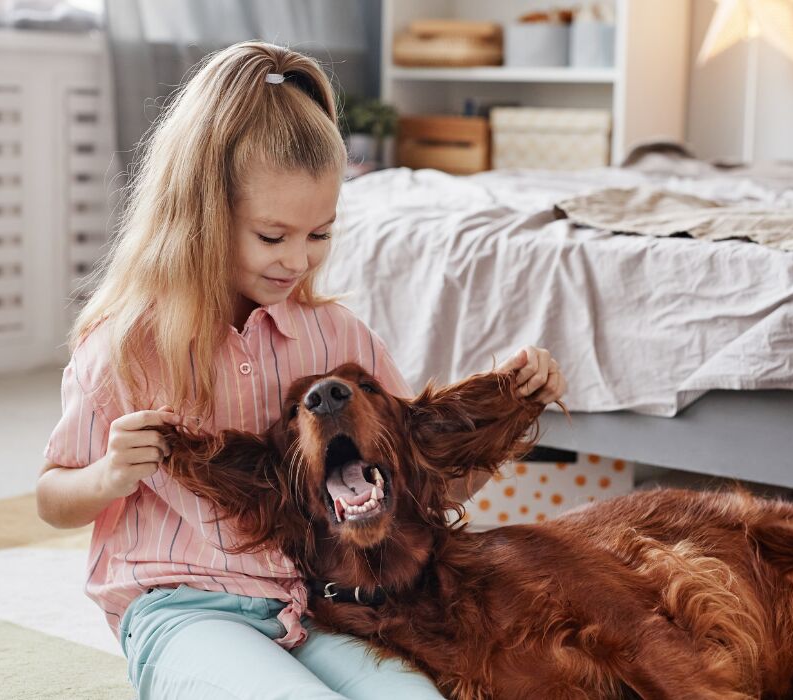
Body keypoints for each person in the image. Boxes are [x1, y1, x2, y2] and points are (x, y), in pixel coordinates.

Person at [35, 41, 566, 699]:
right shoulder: (126, 347)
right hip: (182, 608)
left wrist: (512, 411)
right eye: (272, 236)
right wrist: (109, 475)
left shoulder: (339, 336)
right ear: (201, 213)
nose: (297, 260)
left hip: (319, 608)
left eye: (320, 235)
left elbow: (420, 489)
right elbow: (52, 497)